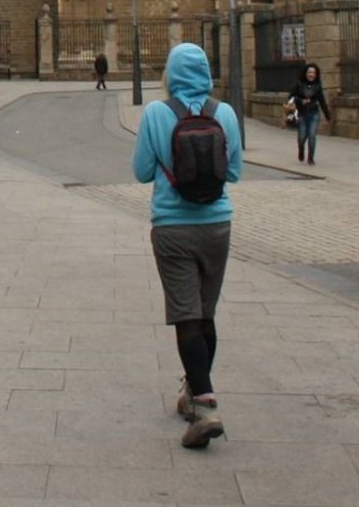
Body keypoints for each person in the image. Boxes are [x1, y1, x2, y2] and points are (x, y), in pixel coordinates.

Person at [132, 43, 242, 451]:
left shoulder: (158, 113)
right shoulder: (225, 113)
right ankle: (194, 391)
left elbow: (142, 171)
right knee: (205, 313)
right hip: (217, 225)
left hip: (172, 227)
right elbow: (234, 171)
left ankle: (206, 405)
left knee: (185, 316)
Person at [287, 63, 335, 164]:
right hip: (302, 114)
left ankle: (311, 158)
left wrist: (328, 116)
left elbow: (322, 101)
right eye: (309, 72)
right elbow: (291, 97)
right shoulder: (299, 84)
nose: (311, 74)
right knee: (302, 138)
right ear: (305, 73)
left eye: (313, 72)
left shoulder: (317, 86)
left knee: (312, 135)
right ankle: (301, 150)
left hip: (314, 114)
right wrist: (300, 100)